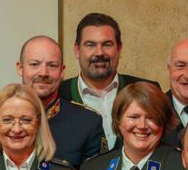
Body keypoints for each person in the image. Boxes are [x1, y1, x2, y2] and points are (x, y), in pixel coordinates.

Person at [59, 12, 159, 150]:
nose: (99, 53)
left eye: (107, 44)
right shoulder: (59, 94)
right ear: (77, 50)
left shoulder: (147, 89)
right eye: (90, 45)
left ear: (119, 48)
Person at [10, 35, 105, 168]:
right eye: (34, 64)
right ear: (20, 68)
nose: (43, 72)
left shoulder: (87, 123)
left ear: (62, 71)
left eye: (52, 65)